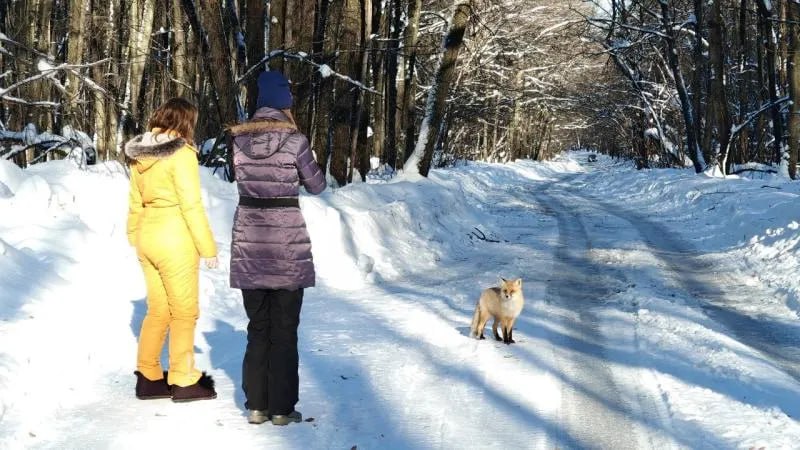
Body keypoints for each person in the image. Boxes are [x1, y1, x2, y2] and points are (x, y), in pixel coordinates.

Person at [228, 71, 326, 426]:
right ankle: (283, 409)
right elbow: (317, 186)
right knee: (285, 330)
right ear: (285, 103)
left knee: (258, 327)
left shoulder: (237, 141)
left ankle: (256, 405)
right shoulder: (295, 141)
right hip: (286, 245)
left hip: (250, 243)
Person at [125, 98, 219, 402]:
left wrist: (134, 235)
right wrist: (208, 248)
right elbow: (191, 204)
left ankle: (149, 376)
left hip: (147, 237)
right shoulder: (181, 153)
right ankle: (183, 378)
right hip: (174, 238)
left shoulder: (141, 153)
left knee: (158, 310)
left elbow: (135, 202)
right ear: (185, 122)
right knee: (184, 312)